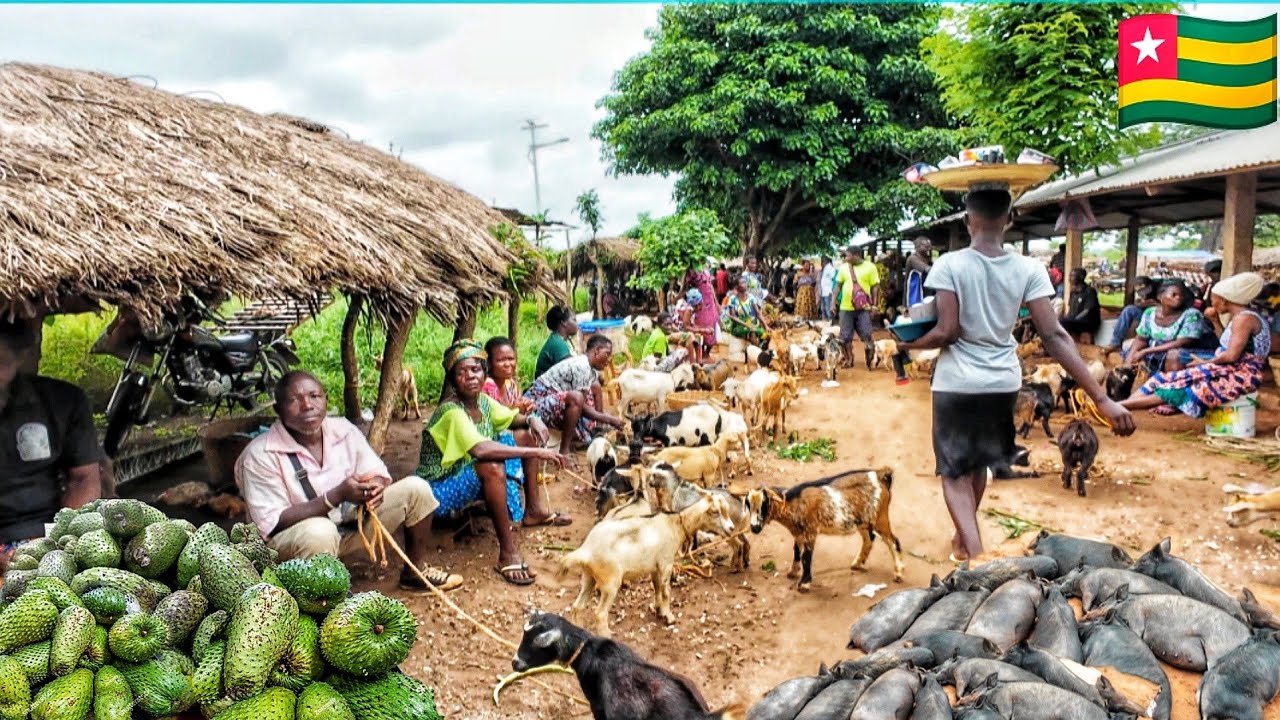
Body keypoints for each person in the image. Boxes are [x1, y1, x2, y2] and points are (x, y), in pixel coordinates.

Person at [897, 186, 1133, 562]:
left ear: (966, 221)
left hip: (958, 381)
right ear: (1009, 220)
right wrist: (1101, 398)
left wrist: (908, 343)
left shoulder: (949, 265)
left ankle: (976, 557)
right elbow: (1054, 335)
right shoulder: (1029, 268)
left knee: (956, 471)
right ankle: (964, 540)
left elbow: (948, 331)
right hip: (1002, 382)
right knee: (976, 463)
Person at [236, 371, 463, 590]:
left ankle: (415, 573)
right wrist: (336, 496)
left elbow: (377, 474)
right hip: (291, 546)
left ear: (326, 399)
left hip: (347, 526)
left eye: (314, 396)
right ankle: (319, 605)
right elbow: (271, 523)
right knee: (320, 531)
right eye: (294, 400)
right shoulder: (259, 454)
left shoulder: (342, 430)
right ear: (278, 409)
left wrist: (374, 489)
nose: (307, 406)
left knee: (417, 489)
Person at [418, 342, 572, 587]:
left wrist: (532, 419)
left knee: (525, 432)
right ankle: (507, 553)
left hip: (462, 476)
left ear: (484, 372)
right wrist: (535, 452)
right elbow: (480, 449)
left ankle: (534, 510)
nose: (470, 377)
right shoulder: (451, 411)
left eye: (475, 370)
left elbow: (513, 418)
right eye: (461, 372)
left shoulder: (483, 403)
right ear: (452, 380)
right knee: (491, 465)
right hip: (434, 493)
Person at [0, 319, 102, 572]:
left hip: (44, 534)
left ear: (19, 357)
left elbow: (84, 480)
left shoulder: (63, 402)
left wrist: (61, 543)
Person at [1122, 272, 1270, 419]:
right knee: (1161, 380)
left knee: (1177, 389)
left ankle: (1120, 407)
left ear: (1224, 301)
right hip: (1230, 367)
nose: (1212, 304)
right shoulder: (1244, 317)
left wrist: (1206, 363)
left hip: (1241, 374)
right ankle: (1119, 407)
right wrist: (1215, 321)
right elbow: (1226, 345)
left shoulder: (1243, 320)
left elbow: (1231, 356)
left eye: (1214, 300)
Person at [524, 335, 627, 453]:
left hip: (551, 401)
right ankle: (564, 450)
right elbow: (580, 404)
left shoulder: (590, 371)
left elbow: (583, 401)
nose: (609, 360)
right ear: (597, 351)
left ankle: (592, 432)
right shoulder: (581, 366)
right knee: (577, 399)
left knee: (592, 389)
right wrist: (607, 419)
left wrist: (601, 418)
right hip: (533, 407)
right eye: (607, 354)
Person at [1123, 281, 1211, 375]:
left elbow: (1180, 343)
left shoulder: (1191, 315)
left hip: (1186, 352)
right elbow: (1141, 339)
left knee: (1173, 355)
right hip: (1157, 351)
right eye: (1174, 294)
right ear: (1160, 296)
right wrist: (1129, 359)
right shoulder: (1150, 313)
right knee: (1129, 352)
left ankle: (1170, 385)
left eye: (1180, 295)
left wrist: (1145, 351)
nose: (1178, 297)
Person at [831, 245, 880, 369]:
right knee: (844, 337)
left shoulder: (870, 267)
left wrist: (874, 305)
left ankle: (870, 360)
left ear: (856, 255)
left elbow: (875, 287)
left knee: (867, 334)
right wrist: (833, 302)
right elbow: (837, 286)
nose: (845, 258)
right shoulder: (843, 268)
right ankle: (848, 359)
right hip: (845, 308)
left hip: (864, 308)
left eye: (848, 255)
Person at [1102, 276, 1160, 351]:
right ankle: (1115, 342)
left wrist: (1153, 303)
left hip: (1156, 313)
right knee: (1128, 309)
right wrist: (1140, 303)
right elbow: (1138, 302)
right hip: (1144, 312)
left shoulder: (1158, 290)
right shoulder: (1142, 292)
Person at [482, 337, 536, 414]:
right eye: (501, 360)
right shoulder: (486, 385)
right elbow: (493, 418)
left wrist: (526, 405)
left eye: (511, 359)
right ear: (489, 363)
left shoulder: (510, 384)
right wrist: (514, 410)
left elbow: (519, 405)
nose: (507, 364)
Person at [722, 274, 770, 346]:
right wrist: (746, 325)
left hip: (751, 323)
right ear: (736, 287)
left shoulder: (751, 297)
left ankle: (758, 348)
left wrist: (766, 325)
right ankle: (756, 351)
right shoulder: (732, 299)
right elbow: (733, 317)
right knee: (753, 332)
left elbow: (758, 313)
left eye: (745, 282)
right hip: (739, 326)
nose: (745, 284)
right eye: (742, 283)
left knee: (766, 335)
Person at [683, 267, 721, 352]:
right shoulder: (689, 309)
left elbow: (710, 286)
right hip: (698, 301)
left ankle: (706, 353)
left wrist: (716, 303)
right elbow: (686, 327)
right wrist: (703, 330)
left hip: (709, 302)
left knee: (711, 324)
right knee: (700, 327)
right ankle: (698, 355)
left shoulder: (705, 270)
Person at [534, 306, 578, 379]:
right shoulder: (557, 344)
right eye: (574, 320)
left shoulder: (558, 339)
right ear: (563, 322)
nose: (577, 324)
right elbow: (573, 370)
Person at [1060, 268, 1101, 341]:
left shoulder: (1089, 291)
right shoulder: (1073, 292)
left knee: (1064, 323)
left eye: (1072, 276)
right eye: (1069, 276)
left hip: (1088, 322)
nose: (1070, 279)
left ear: (1081, 277)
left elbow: (1087, 311)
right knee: (1060, 321)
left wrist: (1074, 319)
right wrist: (1067, 317)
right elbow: (1070, 309)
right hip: (1076, 320)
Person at [906, 236, 933, 308]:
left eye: (928, 245)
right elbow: (926, 269)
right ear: (918, 247)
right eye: (925, 245)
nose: (928, 247)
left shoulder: (926, 258)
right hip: (914, 293)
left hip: (925, 290)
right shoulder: (913, 258)